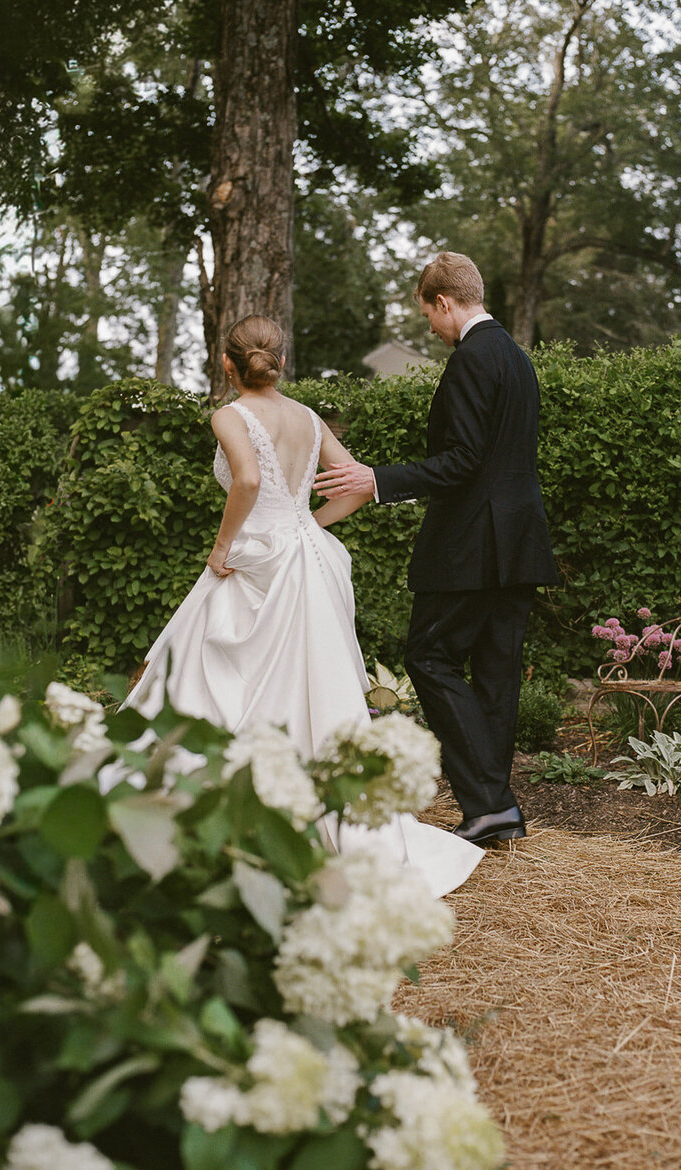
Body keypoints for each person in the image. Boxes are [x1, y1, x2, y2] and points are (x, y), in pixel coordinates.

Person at [121, 314, 482, 897]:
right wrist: (311, 524)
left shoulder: (229, 414)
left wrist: (221, 549)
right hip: (310, 560)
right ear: (281, 361)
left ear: (228, 364)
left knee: (217, 676)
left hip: (258, 560)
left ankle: (224, 814)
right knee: (315, 688)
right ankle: (325, 811)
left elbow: (245, 482)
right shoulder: (309, 418)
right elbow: (358, 483)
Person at [314, 252, 560, 846]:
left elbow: (464, 461)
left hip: (474, 546)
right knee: (497, 676)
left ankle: (489, 803)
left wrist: (378, 480)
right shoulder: (516, 357)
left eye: (428, 313)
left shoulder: (472, 359)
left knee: (430, 657)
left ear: (445, 302)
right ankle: (495, 809)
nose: (429, 327)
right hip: (518, 540)